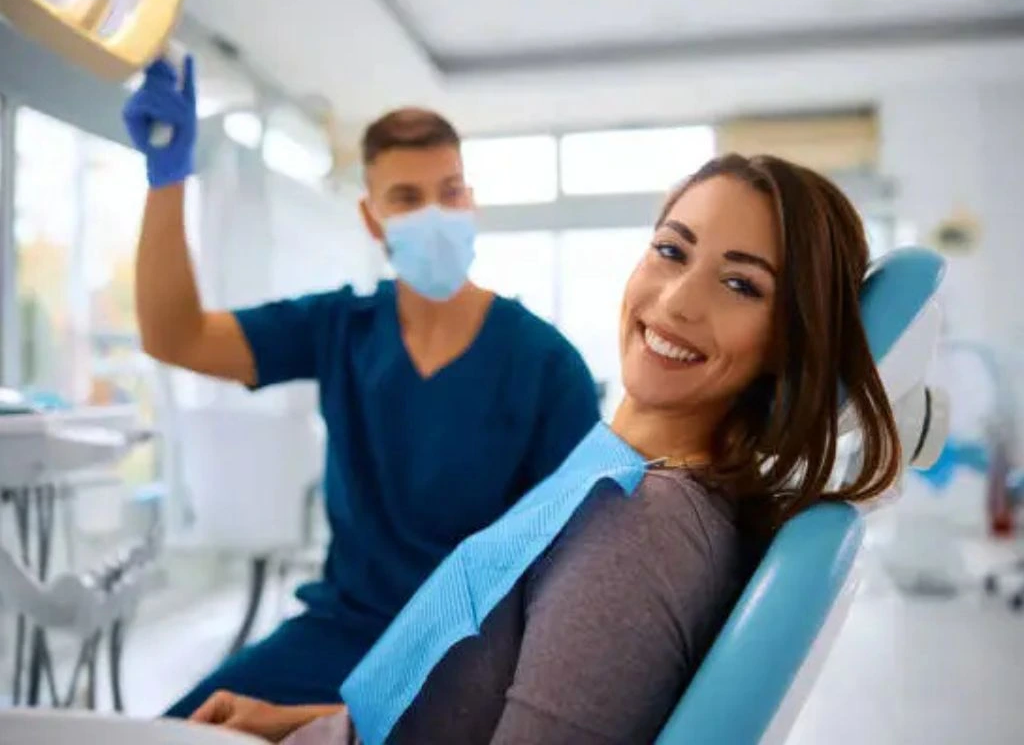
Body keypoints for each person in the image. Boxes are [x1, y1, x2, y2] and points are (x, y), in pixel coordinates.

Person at [188, 153, 903, 744]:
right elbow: (458, 710)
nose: (679, 301)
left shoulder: (641, 527)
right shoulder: (617, 471)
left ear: (788, 344)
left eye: (742, 284)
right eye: (670, 250)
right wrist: (305, 726)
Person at [120, 58, 600, 715]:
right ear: (372, 220)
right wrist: (167, 178)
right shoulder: (340, 329)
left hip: (469, 651)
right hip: (340, 637)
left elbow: (573, 578)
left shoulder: (547, 364)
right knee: (177, 731)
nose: (434, 213)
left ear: (471, 202)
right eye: (406, 198)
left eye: (450, 191)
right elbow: (177, 337)